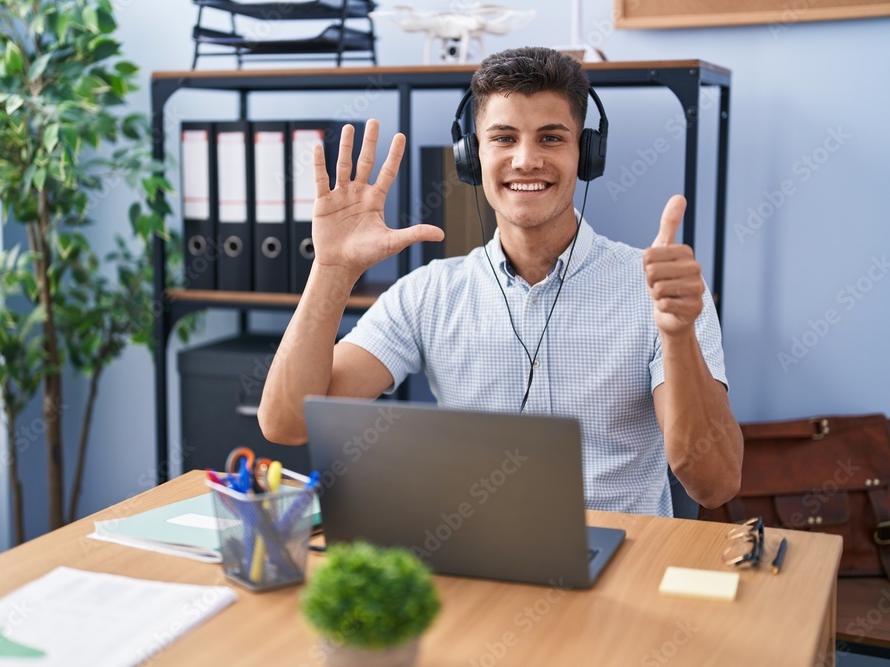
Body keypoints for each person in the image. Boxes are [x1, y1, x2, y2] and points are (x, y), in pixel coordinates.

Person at [259, 46, 743, 515]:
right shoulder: (429, 293)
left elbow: (715, 484)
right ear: (471, 156)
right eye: (504, 138)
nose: (526, 159)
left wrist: (678, 335)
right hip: (481, 562)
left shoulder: (659, 291)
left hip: (623, 566)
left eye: (551, 137)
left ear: (587, 154)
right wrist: (332, 271)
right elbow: (286, 422)